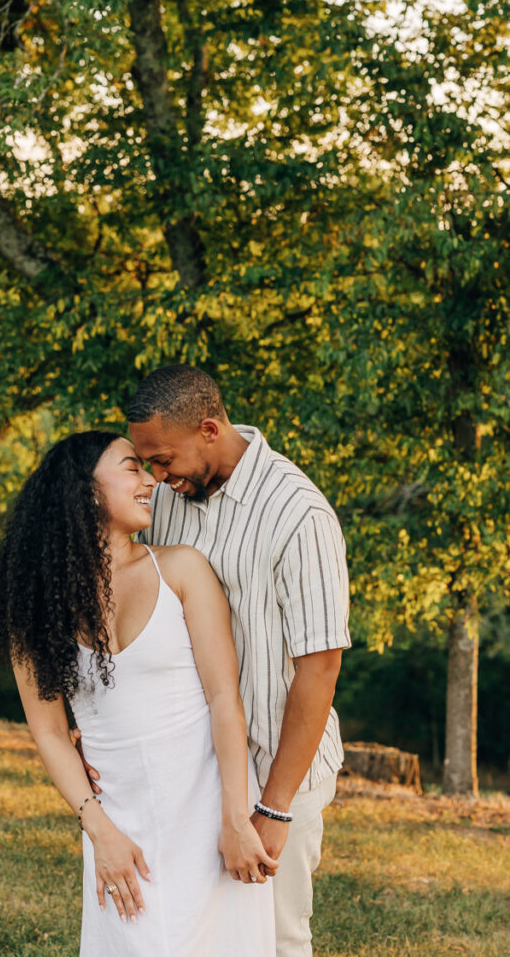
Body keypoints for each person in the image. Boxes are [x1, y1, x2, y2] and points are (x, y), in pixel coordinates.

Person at [0, 430, 276, 957]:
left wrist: (236, 818)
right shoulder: (32, 602)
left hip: (207, 804)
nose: (150, 482)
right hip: (116, 812)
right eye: (132, 468)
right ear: (84, 491)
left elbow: (223, 701)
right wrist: (100, 832)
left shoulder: (182, 569)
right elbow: (49, 731)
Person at [121, 365, 351, 957]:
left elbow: (319, 669)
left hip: (278, 768)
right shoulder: (170, 499)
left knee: (273, 938)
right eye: (146, 463)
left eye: (163, 460)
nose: (155, 477)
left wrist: (274, 808)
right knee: (197, 932)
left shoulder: (300, 515)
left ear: (208, 428)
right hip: (194, 766)